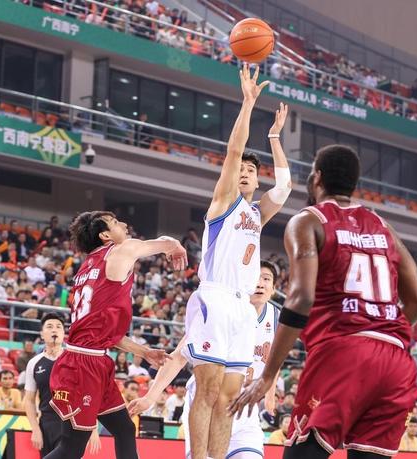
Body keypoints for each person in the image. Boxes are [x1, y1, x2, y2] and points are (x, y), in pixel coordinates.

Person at [229, 144, 417, 459]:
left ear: (317, 178)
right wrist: (380, 329)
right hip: (396, 362)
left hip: (344, 352)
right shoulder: (382, 226)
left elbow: (301, 298)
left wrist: (268, 376)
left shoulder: (308, 220)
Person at [181, 64, 291, 459]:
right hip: (215, 298)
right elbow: (232, 151)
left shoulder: (257, 213)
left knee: (229, 396)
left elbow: (285, 186)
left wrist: (275, 137)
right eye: (240, 169)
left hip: (243, 308)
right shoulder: (223, 202)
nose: (244, 172)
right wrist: (248, 104)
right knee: (208, 390)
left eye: (250, 170)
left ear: (257, 180)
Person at [44, 210, 187, 459]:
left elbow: (105, 332)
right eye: (115, 222)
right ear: (105, 235)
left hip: (92, 358)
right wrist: (176, 246)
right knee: (72, 446)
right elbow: (164, 243)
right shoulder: (121, 250)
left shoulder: (86, 268)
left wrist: (144, 352)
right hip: (83, 365)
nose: (123, 224)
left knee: (124, 429)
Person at [129, 262, 281, 458]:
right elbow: (178, 358)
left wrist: (270, 396)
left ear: (274, 289)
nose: (260, 283)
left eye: (266, 279)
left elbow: (275, 360)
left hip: (244, 409)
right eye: (255, 278)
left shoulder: (277, 318)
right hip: (208, 402)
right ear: (243, 282)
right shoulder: (221, 311)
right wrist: (150, 397)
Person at [24, 313, 65, 456]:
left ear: (63, 333)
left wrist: (91, 428)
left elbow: (86, 395)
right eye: (50, 326)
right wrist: (35, 429)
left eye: (59, 327)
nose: (54, 330)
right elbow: (29, 400)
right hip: (46, 424)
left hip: (70, 424)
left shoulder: (74, 360)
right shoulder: (34, 363)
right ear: (42, 334)